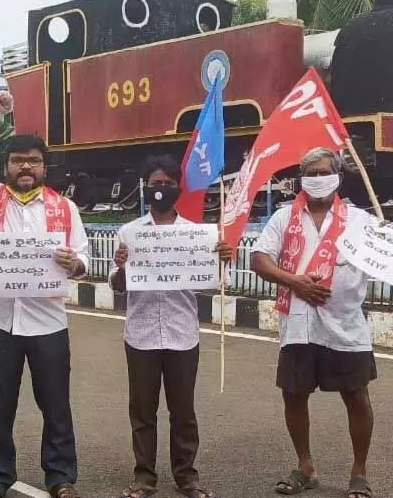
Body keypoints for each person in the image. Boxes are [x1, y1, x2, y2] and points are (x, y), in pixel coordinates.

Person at [0, 92, 89, 498]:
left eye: (34, 160)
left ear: (45, 166)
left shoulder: (65, 208)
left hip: (48, 321)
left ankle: (61, 478)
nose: (26, 166)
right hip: (1, 320)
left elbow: (83, 257)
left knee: (55, 403)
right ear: (6, 166)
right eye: (18, 160)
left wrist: (73, 263)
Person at [250, 147, 378, 498]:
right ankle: (305, 467)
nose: (319, 178)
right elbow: (260, 260)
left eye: (325, 172)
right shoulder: (282, 217)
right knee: (294, 396)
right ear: (302, 178)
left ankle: (359, 472)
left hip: (346, 324)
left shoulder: (360, 220)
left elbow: (392, 254)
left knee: (357, 395)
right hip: (299, 324)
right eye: (312, 173)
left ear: (338, 176)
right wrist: (295, 282)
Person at [109, 155, 233, 498]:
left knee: (183, 411)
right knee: (143, 411)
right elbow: (118, 285)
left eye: (167, 183)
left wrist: (221, 260)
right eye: (155, 184)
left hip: (182, 334)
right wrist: (121, 267)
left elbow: (211, 284)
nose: (161, 189)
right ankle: (144, 477)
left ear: (177, 188)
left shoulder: (196, 235)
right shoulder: (130, 233)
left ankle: (186, 476)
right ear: (145, 188)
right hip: (141, 335)